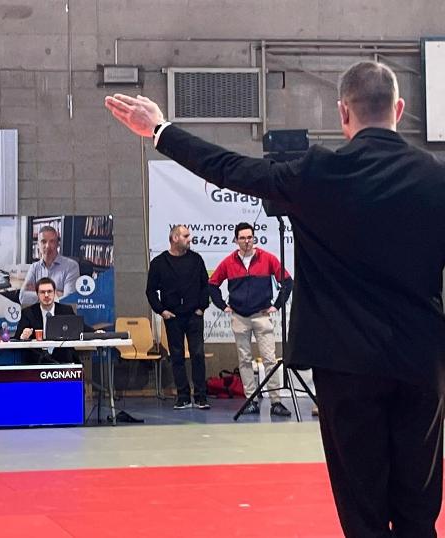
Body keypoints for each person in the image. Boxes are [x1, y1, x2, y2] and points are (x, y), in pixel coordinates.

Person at [105, 61, 445, 537]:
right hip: (421, 363)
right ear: (400, 109)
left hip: (344, 364)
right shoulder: (436, 178)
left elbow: (230, 168)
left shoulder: (316, 174)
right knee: (418, 510)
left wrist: (160, 130)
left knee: (363, 511)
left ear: (343, 112)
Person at [208, 222, 293, 417]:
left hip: (262, 315)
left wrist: (277, 305)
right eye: (242, 238)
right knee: (244, 360)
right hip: (239, 317)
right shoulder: (228, 262)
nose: (246, 241)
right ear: (236, 240)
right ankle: (251, 401)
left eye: (249, 237)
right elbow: (212, 284)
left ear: (254, 238)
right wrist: (223, 306)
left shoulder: (267, 258)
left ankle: (276, 402)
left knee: (269, 359)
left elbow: (287, 282)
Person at [146, 224, 210, 410]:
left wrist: (201, 307)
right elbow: (150, 291)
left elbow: (205, 285)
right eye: (186, 236)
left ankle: (200, 396)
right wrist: (162, 311)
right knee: (176, 356)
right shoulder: (159, 263)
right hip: (173, 317)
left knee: (197, 354)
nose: (190, 239)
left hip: (194, 315)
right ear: (175, 238)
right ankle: (183, 396)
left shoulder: (196, 260)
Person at [14, 277, 93, 364]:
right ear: (37, 294)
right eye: (42, 292)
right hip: (37, 359)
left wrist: (96, 332)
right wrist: (23, 336)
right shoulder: (28, 312)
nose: (46, 295)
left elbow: (80, 327)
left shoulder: (65, 310)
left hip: (63, 357)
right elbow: (17, 337)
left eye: (49, 291)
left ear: (55, 292)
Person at [19, 225, 80, 306]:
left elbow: (68, 302)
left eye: (52, 241)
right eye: (43, 241)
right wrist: (57, 293)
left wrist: (38, 291)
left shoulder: (71, 266)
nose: (47, 246)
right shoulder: (34, 267)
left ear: (57, 244)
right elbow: (22, 298)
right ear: (38, 245)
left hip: (58, 314)